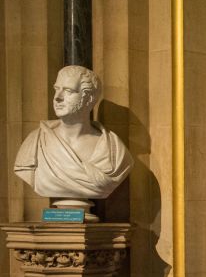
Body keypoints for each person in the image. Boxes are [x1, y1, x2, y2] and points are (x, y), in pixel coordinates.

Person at [14, 65, 133, 200]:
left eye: (68, 91)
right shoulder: (36, 142)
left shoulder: (114, 151)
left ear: (89, 98)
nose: (57, 98)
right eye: (56, 89)